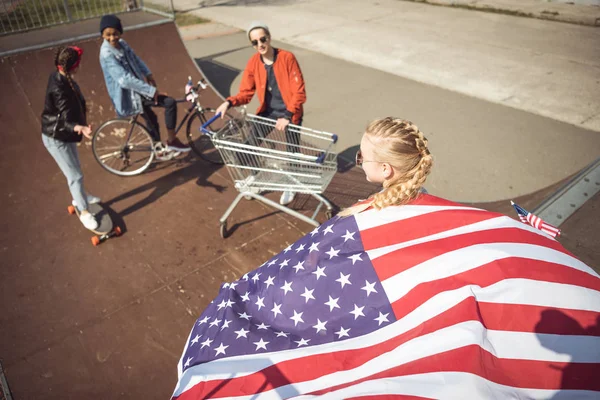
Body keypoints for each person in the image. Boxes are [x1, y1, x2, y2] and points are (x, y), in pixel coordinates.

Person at [172, 117, 599, 399]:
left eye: (362, 158)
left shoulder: (360, 223)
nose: (358, 163)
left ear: (386, 172)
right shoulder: (442, 212)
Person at [215, 21, 306, 206]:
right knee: (248, 146)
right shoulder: (254, 62)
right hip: (268, 112)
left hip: (290, 113)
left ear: (269, 38)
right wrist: (228, 102)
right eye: (255, 42)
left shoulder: (287, 58)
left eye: (263, 39)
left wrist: (288, 115)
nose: (260, 45)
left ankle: (292, 184)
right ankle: (256, 174)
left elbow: (299, 92)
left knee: (292, 151)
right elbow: (245, 93)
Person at [98, 14, 190, 153]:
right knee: (170, 103)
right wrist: (152, 91)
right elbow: (124, 80)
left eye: (115, 34)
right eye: (108, 35)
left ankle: (157, 148)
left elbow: (136, 59)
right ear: (102, 35)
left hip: (138, 89)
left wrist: (148, 73)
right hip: (129, 94)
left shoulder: (122, 44)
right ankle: (172, 141)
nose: (112, 38)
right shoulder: (107, 54)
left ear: (120, 32)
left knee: (151, 118)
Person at [41, 46, 101, 230]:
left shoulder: (59, 76)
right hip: (56, 138)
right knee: (74, 175)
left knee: (76, 171)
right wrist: (80, 127)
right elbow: (65, 121)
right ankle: (83, 211)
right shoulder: (59, 87)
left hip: (64, 136)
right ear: (74, 66)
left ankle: (80, 194)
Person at [338, 117, 432, 216]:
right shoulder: (422, 196)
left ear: (385, 169)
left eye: (362, 156)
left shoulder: (374, 214)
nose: (358, 160)